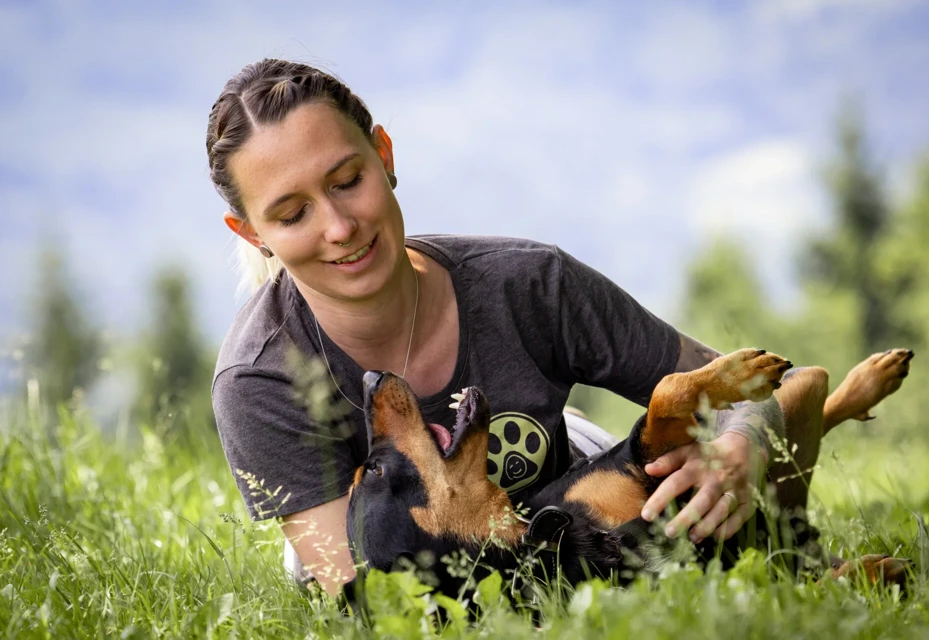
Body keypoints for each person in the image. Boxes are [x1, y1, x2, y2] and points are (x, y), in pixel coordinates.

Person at [207, 59, 798, 595]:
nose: (338, 226)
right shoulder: (259, 380)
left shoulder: (530, 283)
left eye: (347, 181)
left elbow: (752, 390)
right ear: (252, 233)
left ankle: (788, 558)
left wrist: (741, 447)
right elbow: (370, 605)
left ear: (384, 155)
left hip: (574, 498)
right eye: (292, 214)